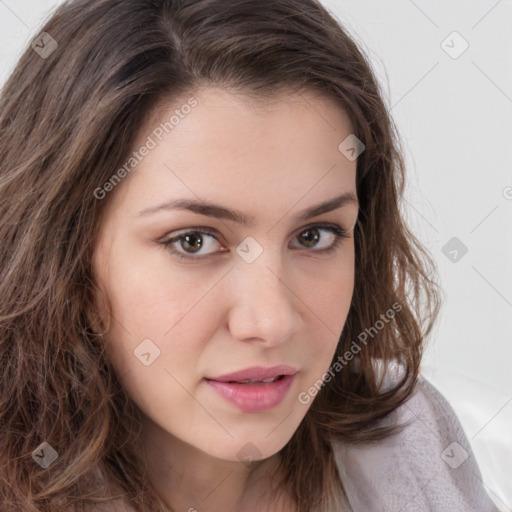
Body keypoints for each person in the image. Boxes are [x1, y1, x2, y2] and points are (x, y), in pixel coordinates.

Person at [0, 0, 500, 511]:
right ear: (63, 256)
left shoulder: (407, 439)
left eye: (315, 236)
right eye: (193, 241)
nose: (272, 321)